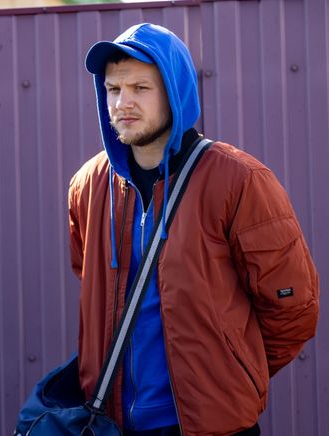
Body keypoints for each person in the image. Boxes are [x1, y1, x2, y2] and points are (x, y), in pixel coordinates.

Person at [68, 23, 319, 435]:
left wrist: (230, 374)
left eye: (140, 88)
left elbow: (294, 308)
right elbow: (88, 276)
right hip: (110, 423)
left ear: (174, 90)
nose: (123, 102)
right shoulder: (89, 186)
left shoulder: (239, 180)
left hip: (213, 425)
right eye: (113, 89)